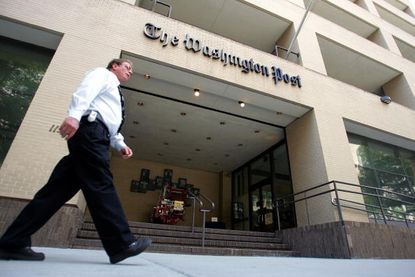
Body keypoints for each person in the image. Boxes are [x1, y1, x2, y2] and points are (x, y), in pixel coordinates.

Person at [0, 58, 151, 264]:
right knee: (100, 182)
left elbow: (110, 121)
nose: (130, 72)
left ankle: (12, 241)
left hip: (98, 134)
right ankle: (120, 244)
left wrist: (119, 144)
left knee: (54, 193)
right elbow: (85, 92)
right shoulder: (103, 74)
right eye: (127, 67)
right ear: (114, 66)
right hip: (90, 131)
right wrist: (74, 115)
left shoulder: (115, 91)